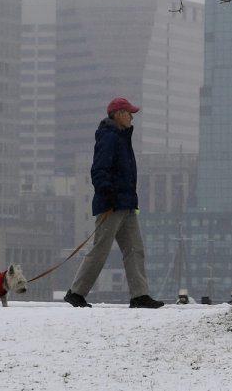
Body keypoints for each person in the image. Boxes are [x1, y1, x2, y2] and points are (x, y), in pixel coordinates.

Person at [64, 97, 164, 309]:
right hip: (112, 204)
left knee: (135, 249)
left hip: (126, 205)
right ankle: (76, 292)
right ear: (119, 114)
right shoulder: (109, 137)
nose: (132, 117)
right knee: (101, 249)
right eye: (129, 113)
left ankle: (140, 295)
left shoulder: (121, 137)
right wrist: (108, 196)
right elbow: (99, 171)